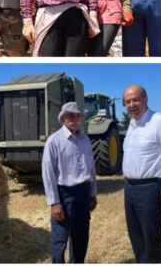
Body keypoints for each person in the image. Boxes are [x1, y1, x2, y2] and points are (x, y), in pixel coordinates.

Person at [122, 84, 161, 263]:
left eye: (135, 100)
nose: (132, 105)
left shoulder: (160, 121)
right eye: (127, 102)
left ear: (145, 99)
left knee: (151, 239)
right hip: (129, 188)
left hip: (150, 189)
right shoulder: (132, 124)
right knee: (136, 238)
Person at [41, 101, 98, 263]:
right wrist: (54, 202)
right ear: (63, 118)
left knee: (81, 237)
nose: (74, 118)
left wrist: (93, 193)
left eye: (77, 115)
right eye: (70, 115)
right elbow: (48, 173)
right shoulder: (54, 141)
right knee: (60, 240)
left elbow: (91, 168)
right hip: (65, 195)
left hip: (84, 193)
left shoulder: (85, 139)